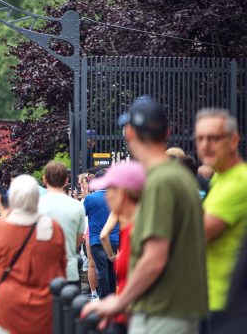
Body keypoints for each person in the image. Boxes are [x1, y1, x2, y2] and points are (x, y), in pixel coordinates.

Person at [84, 98, 207, 333]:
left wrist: (119, 302)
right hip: (178, 306)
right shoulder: (180, 178)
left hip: (161, 310)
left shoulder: (159, 181)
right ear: (167, 133)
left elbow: (155, 257)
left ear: (128, 133)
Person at [0, 175, 66, 332]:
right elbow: (61, 262)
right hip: (45, 301)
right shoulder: (52, 227)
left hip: (9, 301)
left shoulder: (2, 228)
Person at [194, 109, 247, 331]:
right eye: (200, 138)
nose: (206, 145)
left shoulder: (238, 182)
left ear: (234, 140)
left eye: (214, 138)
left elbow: (194, 236)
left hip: (229, 307)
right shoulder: (220, 180)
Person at [91, 161, 145, 328]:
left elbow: (103, 235)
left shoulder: (138, 230)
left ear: (123, 192)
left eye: (111, 190)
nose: (106, 196)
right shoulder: (139, 221)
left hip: (137, 315)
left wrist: (112, 256)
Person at [38, 161, 86, 288]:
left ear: (45, 179)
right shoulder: (77, 206)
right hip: (69, 268)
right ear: (66, 180)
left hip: (43, 270)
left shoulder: (36, 205)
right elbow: (79, 238)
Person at [83, 168, 119, 298]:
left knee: (102, 270)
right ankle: (112, 296)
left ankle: (104, 298)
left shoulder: (90, 198)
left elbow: (83, 214)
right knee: (111, 270)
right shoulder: (115, 197)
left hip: (96, 240)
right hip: (114, 239)